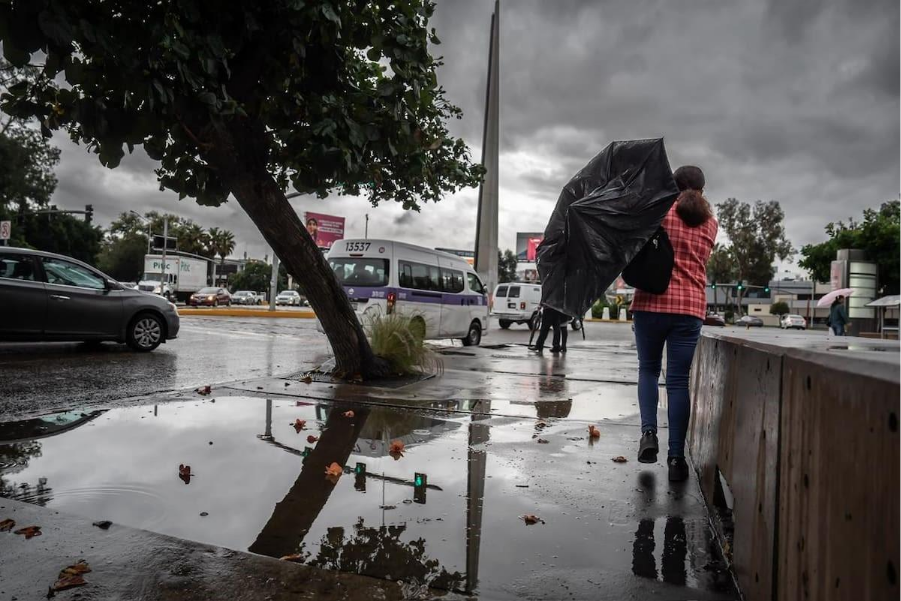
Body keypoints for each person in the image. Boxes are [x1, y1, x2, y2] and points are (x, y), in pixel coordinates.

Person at [630, 165, 717, 482]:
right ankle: (677, 456)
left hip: (651, 304)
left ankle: (649, 433)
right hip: (690, 309)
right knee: (679, 381)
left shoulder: (659, 213)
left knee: (649, 369)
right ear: (703, 191)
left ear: (673, 184)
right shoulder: (711, 224)